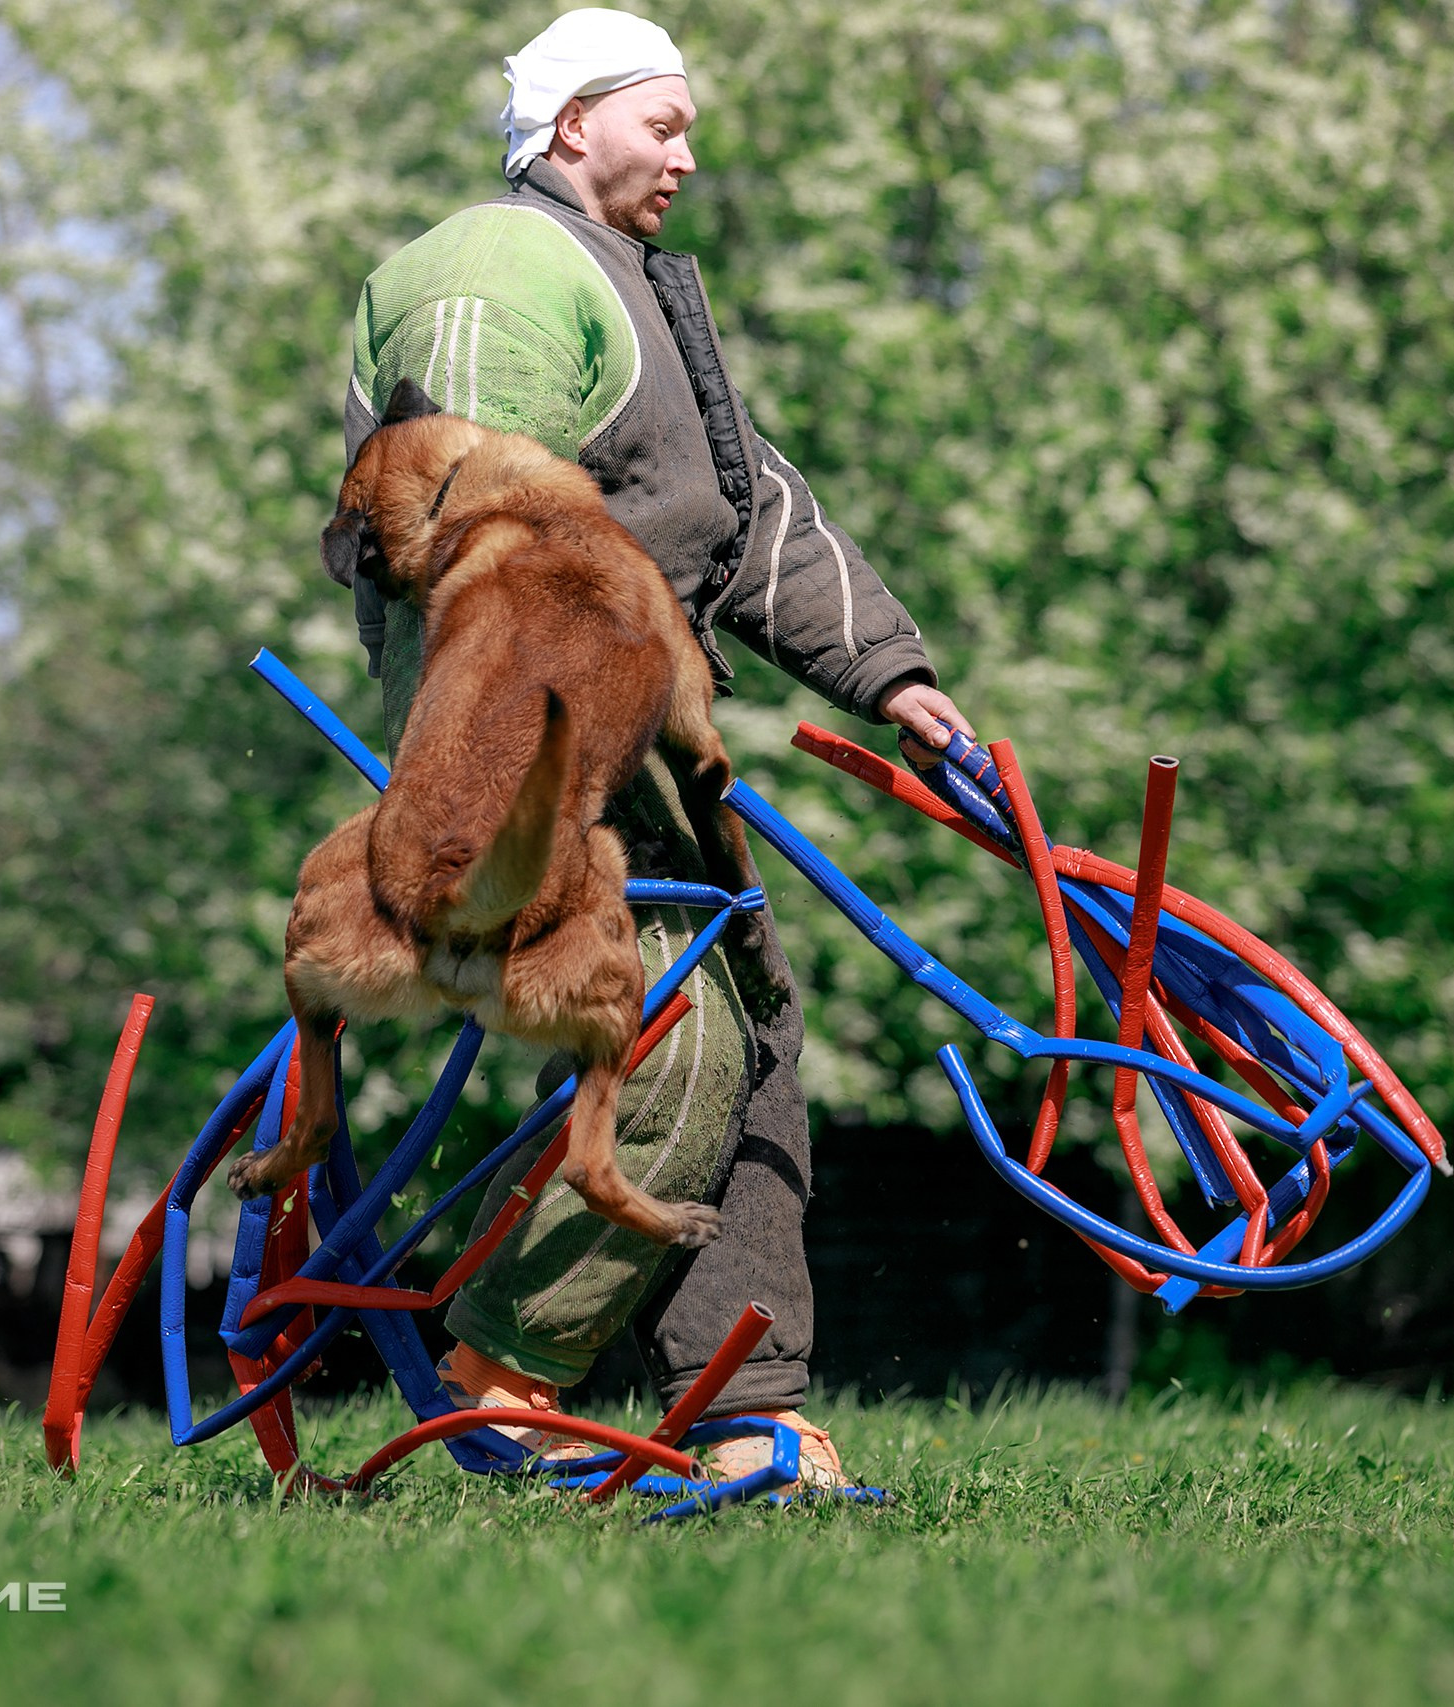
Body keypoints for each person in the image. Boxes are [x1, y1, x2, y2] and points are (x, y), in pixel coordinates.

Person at [340, 7, 972, 1489]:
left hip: (610, 720)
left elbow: (741, 516)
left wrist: (891, 674)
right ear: (571, 127)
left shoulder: (621, 284)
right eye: (663, 123)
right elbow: (469, 523)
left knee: (745, 1007)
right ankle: (495, 1380)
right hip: (522, 738)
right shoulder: (497, 270)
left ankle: (745, 1416)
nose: (689, 151)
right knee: (678, 1027)